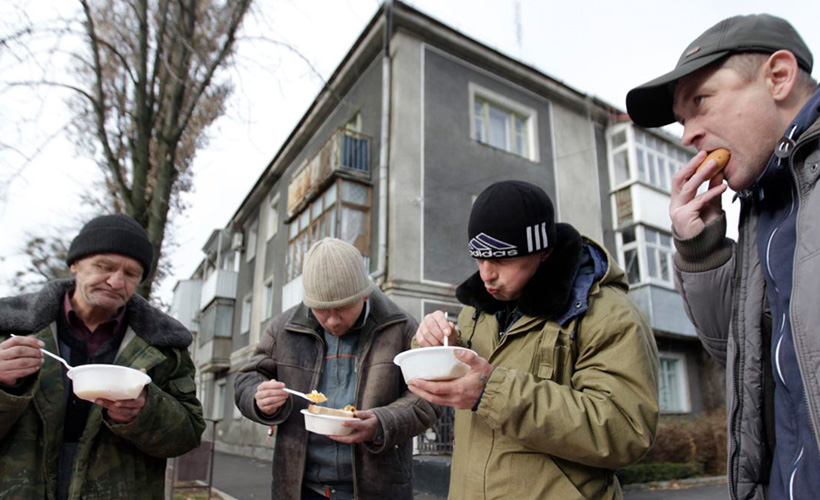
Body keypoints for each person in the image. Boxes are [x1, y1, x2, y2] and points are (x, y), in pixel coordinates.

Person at [626, 13, 820, 500]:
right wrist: (703, 248)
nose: (687, 134)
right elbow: (739, 359)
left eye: (700, 102)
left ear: (778, 76)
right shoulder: (763, 207)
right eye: (682, 119)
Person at [411, 180, 659, 500]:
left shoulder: (609, 315)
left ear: (544, 252)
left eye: (501, 259)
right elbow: (452, 377)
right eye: (478, 257)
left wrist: (492, 392)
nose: (486, 274)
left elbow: (626, 431)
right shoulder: (477, 311)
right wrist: (431, 343)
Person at [0, 213, 205, 499]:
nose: (116, 281)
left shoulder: (164, 346)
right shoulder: (9, 327)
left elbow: (189, 435)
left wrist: (144, 412)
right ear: (75, 264)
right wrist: (3, 386)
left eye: (131, 274)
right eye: (103, 266)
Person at [234, 237, 442, 500]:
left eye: (343, 308)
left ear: (364, 294)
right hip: (299, 489)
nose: (332, 321)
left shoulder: (400, 326)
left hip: (378, 490)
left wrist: (382, 422)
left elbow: (428, 397)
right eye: (321, 310)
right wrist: (257, 395)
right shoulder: (283, 329)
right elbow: (247, 377)